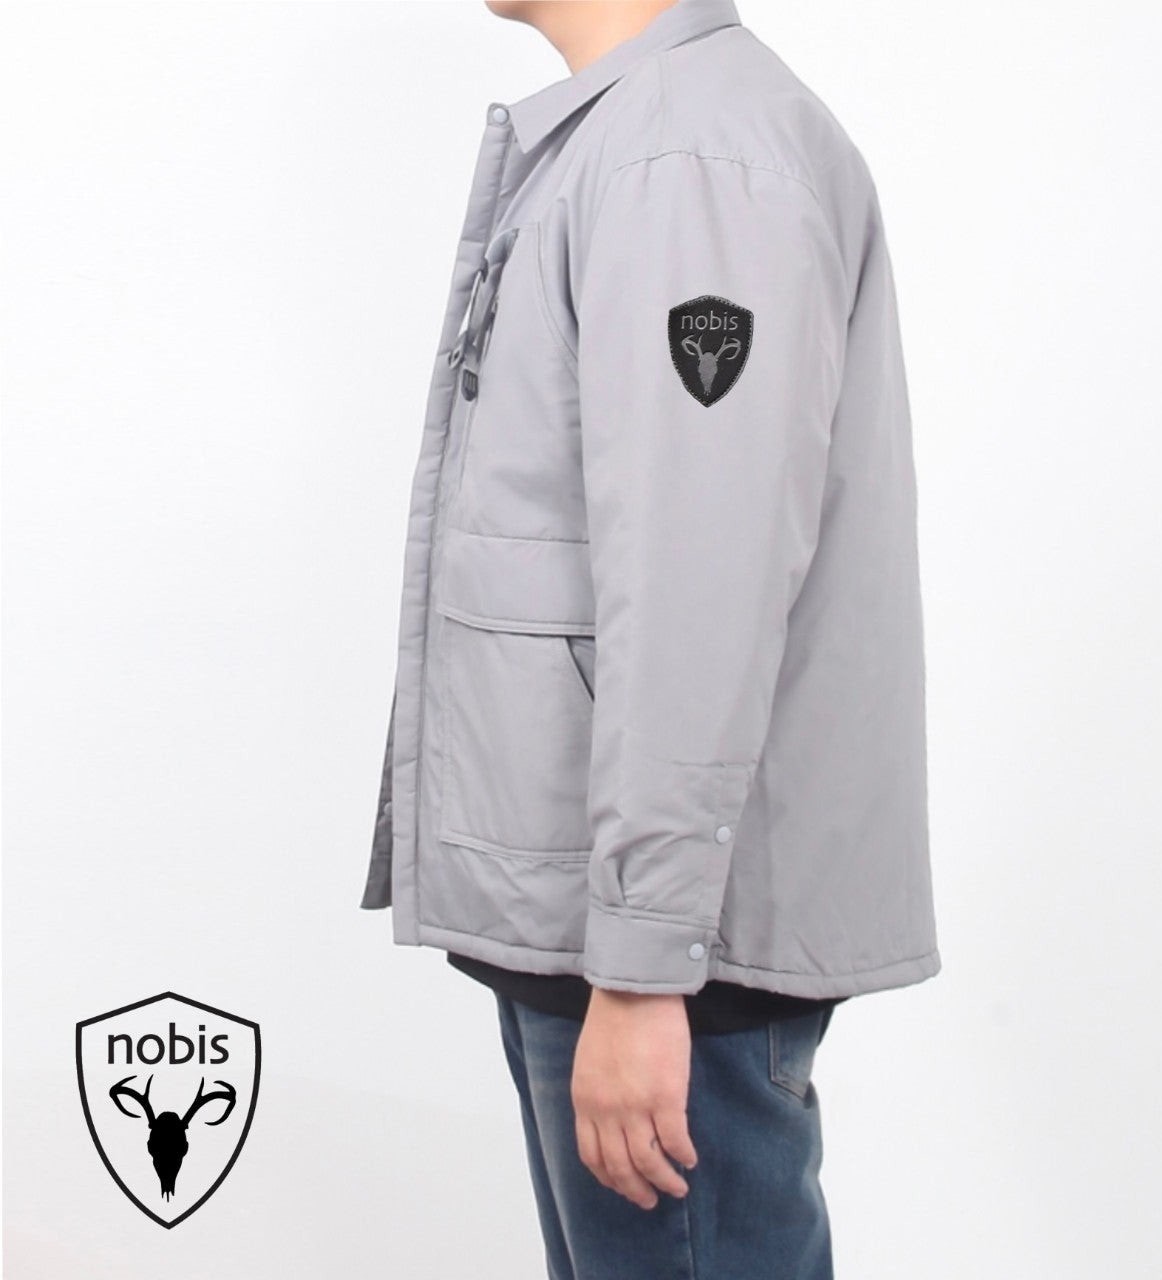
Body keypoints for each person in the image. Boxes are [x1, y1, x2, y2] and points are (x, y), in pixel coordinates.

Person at [359, 2, 942, 1275]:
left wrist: (640, 966)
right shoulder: (638, 136)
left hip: (664, 952)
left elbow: (699, 582)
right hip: (612, 922)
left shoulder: (691, 160)